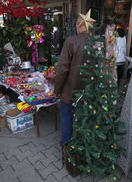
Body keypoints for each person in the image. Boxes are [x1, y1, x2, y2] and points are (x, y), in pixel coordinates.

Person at [53, 17, 90, 145]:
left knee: (66, 116)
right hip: (89, 90)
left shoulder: (71, 41)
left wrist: (57, 90)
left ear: (78, 26)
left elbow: (62, 69)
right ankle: (81, 145)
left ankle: (67, 146)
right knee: (84, 117)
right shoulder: (98, 42)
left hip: (70, 89)